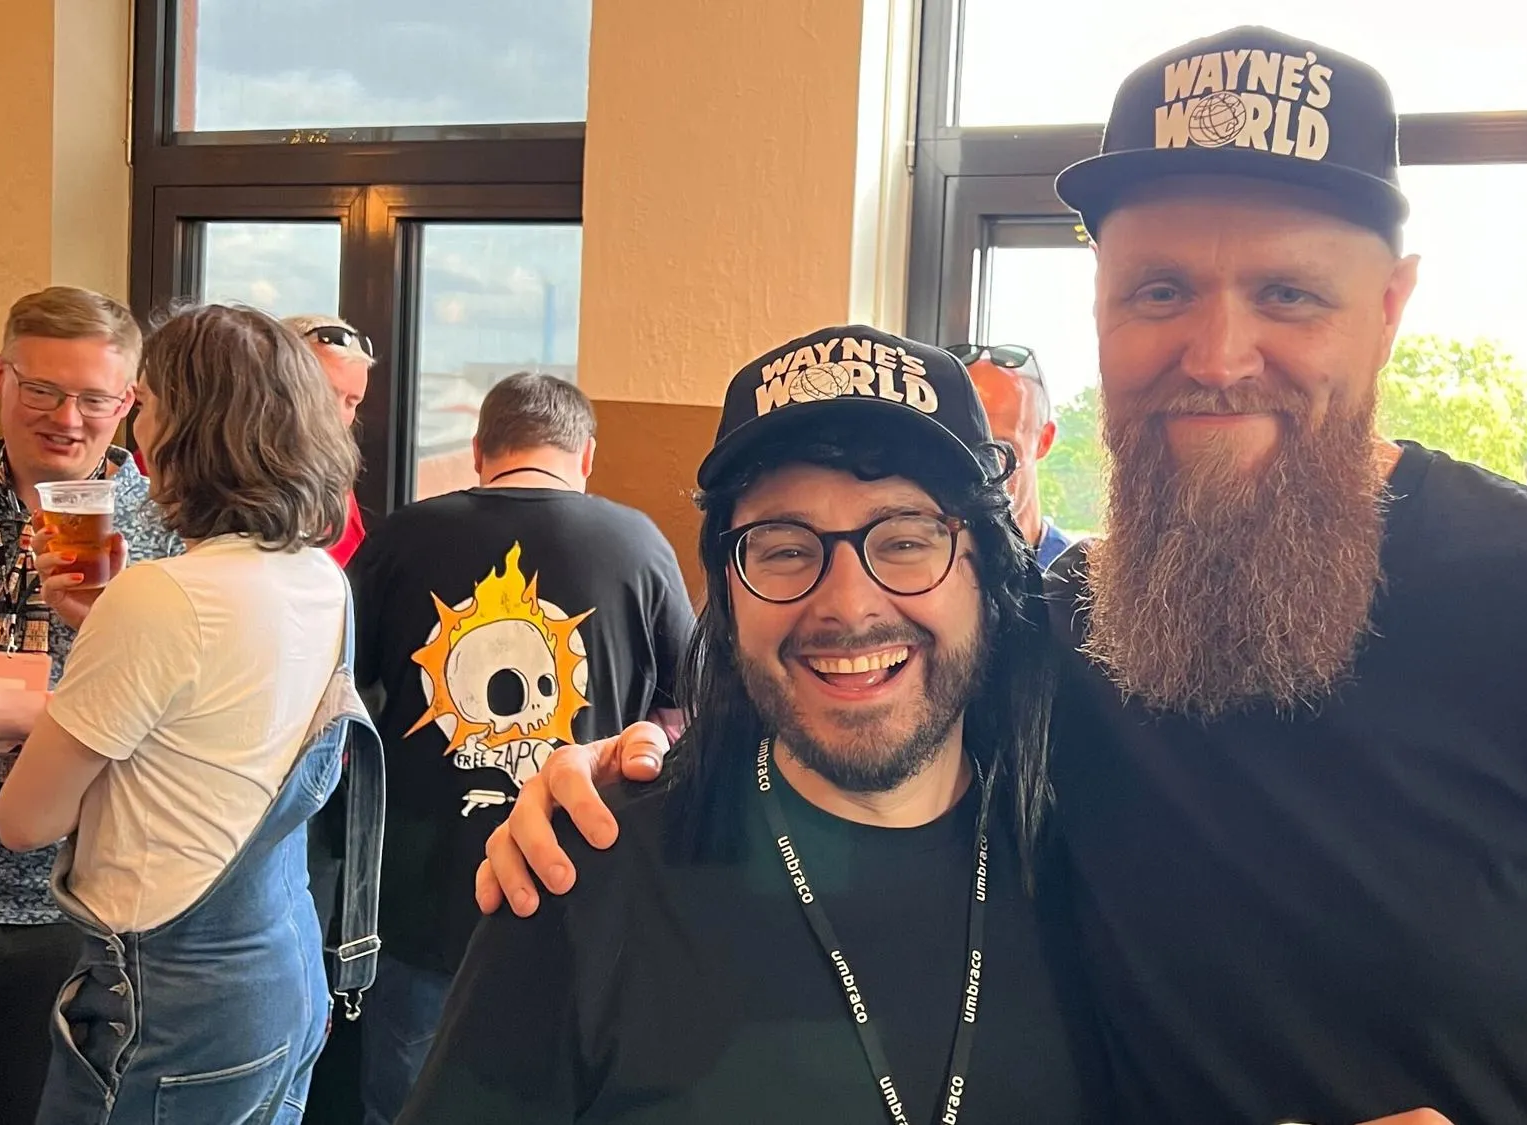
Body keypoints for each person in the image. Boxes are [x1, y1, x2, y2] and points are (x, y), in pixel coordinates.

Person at [484, 26, 1527, 1125]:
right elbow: (839, 694)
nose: (1219, 351)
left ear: (1389, 309)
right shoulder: (1050, 633)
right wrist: (623, 770)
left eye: (1289, 293)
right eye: (1163, 291)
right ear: (1104, 310)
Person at [399, 326, 1092, 1124]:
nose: (847, 604)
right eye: (784, 548)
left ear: (988, 571)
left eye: (906, 539)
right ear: (727, 598)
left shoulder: (1092, 870)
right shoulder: (581, 878)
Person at [0, 303, 372, 1124]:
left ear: (186, 430)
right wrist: (103, 628)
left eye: (147, 403)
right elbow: (213, 728)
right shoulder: (318, 576)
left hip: (170, 994)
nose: (136, 430)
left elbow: (26, 819)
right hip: (282, 964)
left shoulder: (161, 595)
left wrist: (37, 696)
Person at [344, 371, 696, 1124]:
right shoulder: (638, 542)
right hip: (583, 891)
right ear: (587, 455)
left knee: (407, 1104)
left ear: (478, 452)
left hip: (421, 900)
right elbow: (691, 706)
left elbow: (336, 690)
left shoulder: (401, 537)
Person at [0, 287, 182, 1125]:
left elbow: (187, 730)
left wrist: (29, 715)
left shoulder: (169, 536)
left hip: (80, 912)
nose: (68, 419)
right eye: (43, 389)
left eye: (94, 398)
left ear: (128, 403)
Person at [953, 345, 1075, 568]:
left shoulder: (1078, 587)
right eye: (961, 446)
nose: (979, 468)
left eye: (1001, 448)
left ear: (1043, 441)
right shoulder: (930, 574)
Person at [283, 314, 376, 566]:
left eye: (351, 402)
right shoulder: (239, 476)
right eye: (326, 393)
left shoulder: (335, 475)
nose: (336, 415)